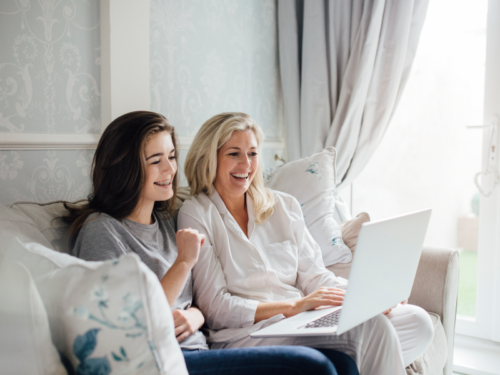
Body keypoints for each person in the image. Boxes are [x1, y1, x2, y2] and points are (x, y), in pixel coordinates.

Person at [64, 110, 357, 375]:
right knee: (312, 366)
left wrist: (194, 316)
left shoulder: (168, 221)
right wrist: (183, 262)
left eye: (171, 156)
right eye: (156, 160)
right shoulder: (101, 232)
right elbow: (124, 326)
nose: (170, 170)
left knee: (342, 361)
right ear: (124, 168)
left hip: (196, 348)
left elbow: (200, 303)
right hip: (160, 361)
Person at [178, 112, 435, 375]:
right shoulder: (196, 213)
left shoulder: (283, 205)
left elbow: (314, 275)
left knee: (417, 322)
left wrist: (367, 296)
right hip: (247, 335)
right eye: (234, 153)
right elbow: (216, 307)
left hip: (300, 322)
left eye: (253, 154)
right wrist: (293, 306)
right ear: (210, 157)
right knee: (374, 328)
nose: (246, 164)